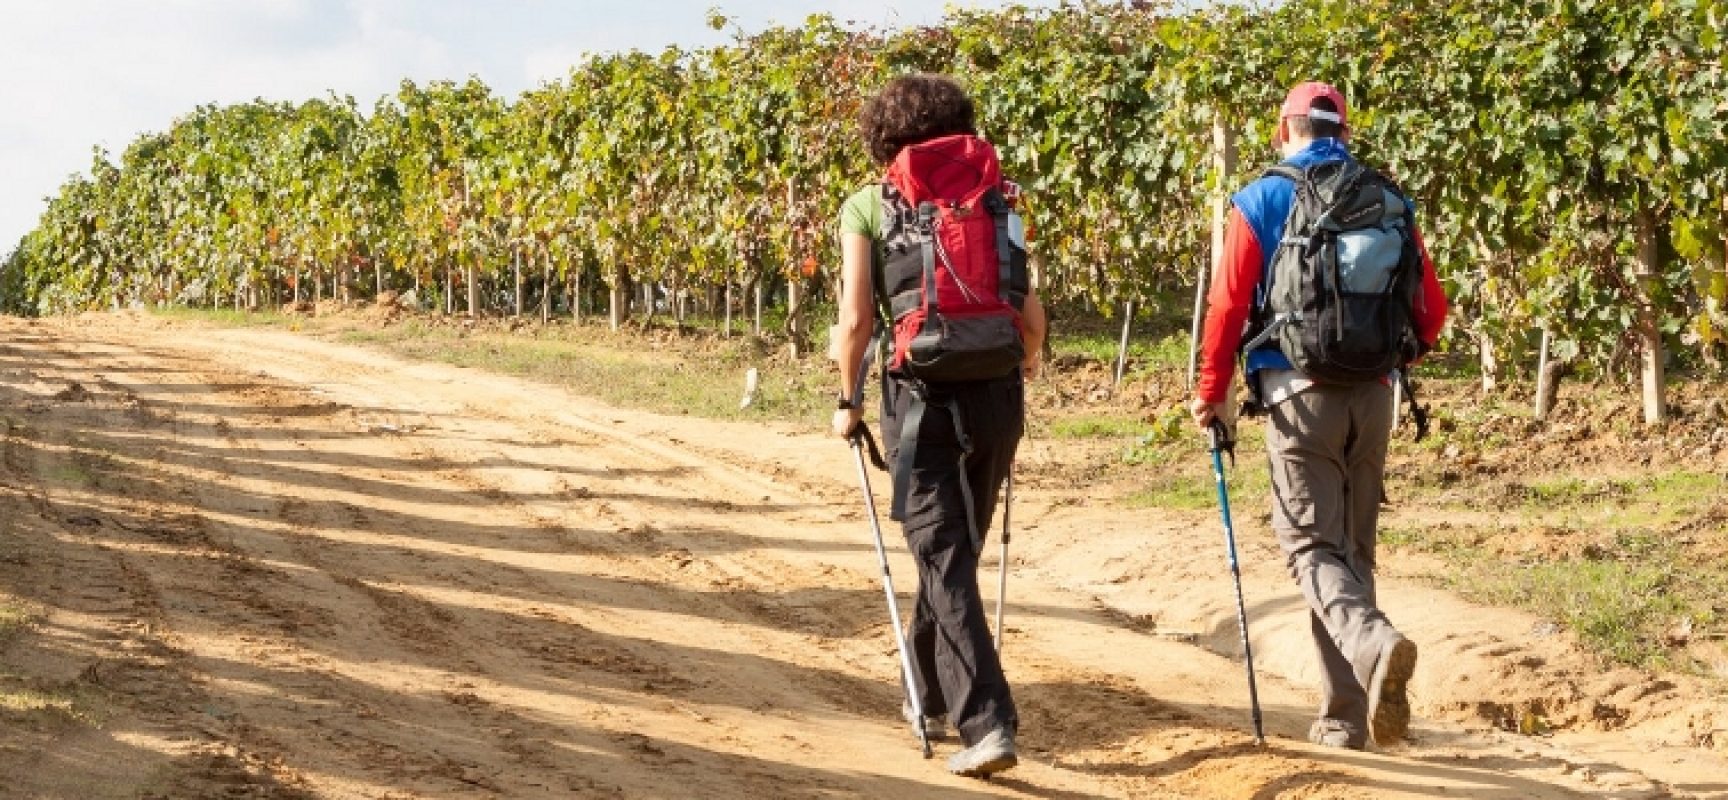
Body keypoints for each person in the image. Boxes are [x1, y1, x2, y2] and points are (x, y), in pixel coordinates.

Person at [1190, 81, 1449, 750]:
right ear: (1347, 133)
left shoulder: (1263, 197)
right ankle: (1344, 715)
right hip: (1374, 392)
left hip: (1297, 393)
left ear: (1284, 130)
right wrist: (1385, 360)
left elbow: (1225, 307)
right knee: (1351, 551)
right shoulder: (1387, 199)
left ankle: (1374, 644)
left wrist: (1212, 388)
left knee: (1310, 546)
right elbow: (1432, 312)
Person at [830, 73, 1047, 777]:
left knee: (942, 554)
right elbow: (1030, 310)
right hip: (996, 392)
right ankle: (924, 692)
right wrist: (1026, 364)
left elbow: (859, 320)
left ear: (883, 139)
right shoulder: (1000, 197)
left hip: (917, 394)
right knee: (952, 552)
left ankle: (986, 723)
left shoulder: (867, 204)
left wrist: (847, 398)